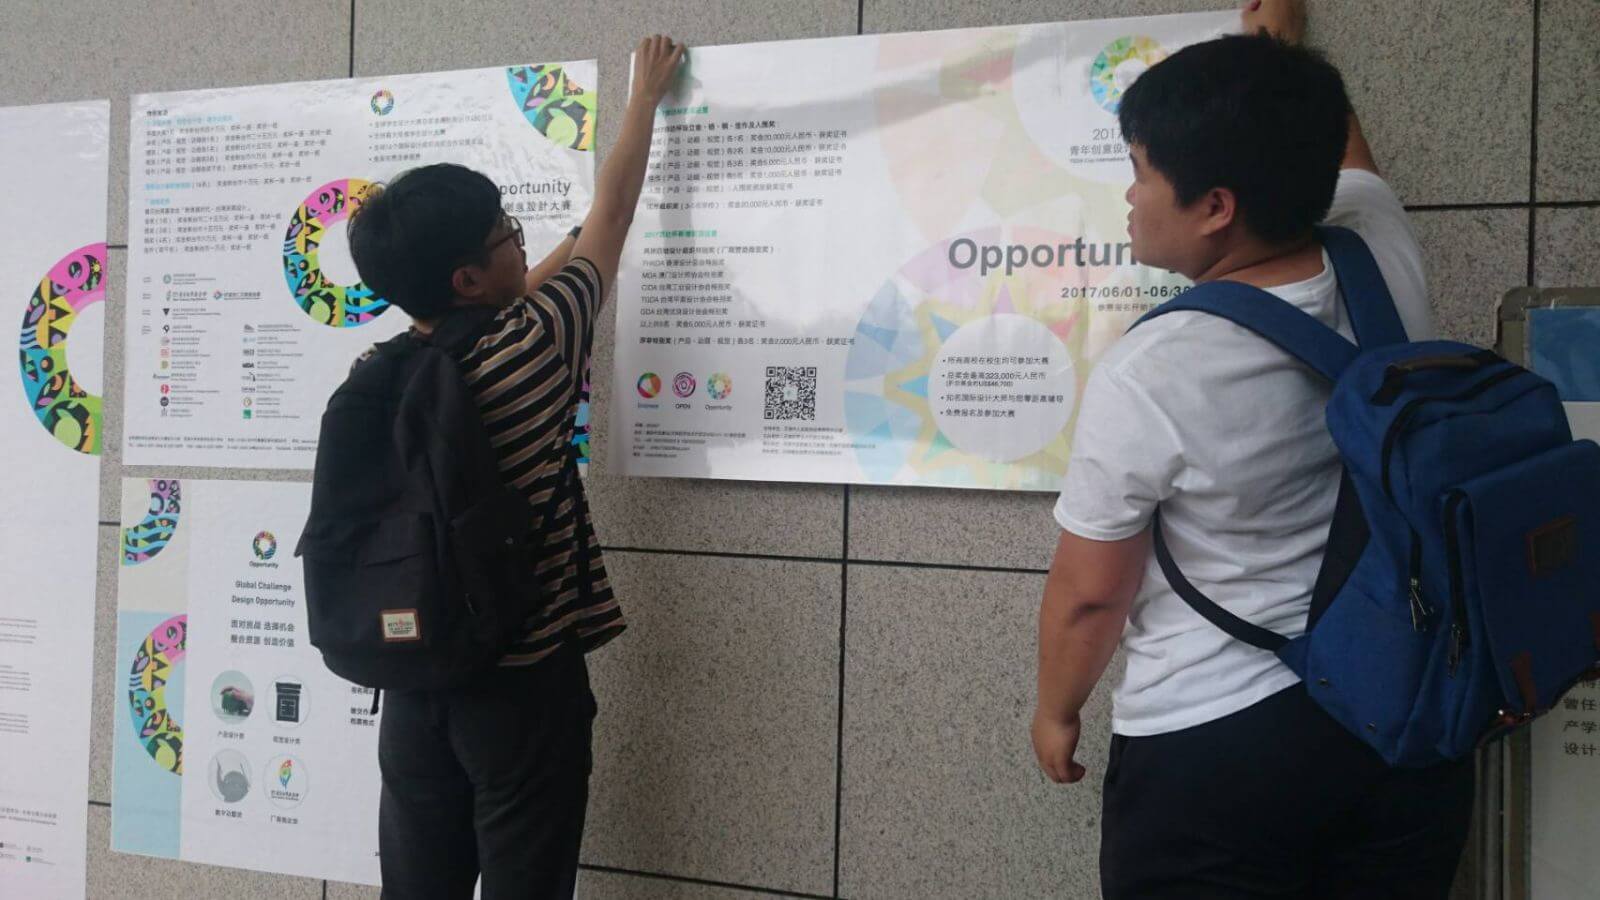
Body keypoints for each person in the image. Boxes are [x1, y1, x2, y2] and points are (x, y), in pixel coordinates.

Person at [1030, 3, 1474, 898]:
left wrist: (1056, 710)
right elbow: (1343, 155)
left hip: (1216, 748)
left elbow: (1091, 595)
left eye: (1141, 173)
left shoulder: (1154, 369)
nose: (1129, 197)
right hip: (1405, 719)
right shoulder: (1378, 249)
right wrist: (1278, 56)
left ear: (1215, 208)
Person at [344, 35, 686, 900]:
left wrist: (555, 243)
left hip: (413, 688)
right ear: (467, 277)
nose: (516, 245)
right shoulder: (535, 347)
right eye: (507, 235)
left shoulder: (380, 373)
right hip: (521, 690)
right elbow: (614, 218)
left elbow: (516, 291)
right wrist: (645, 98)